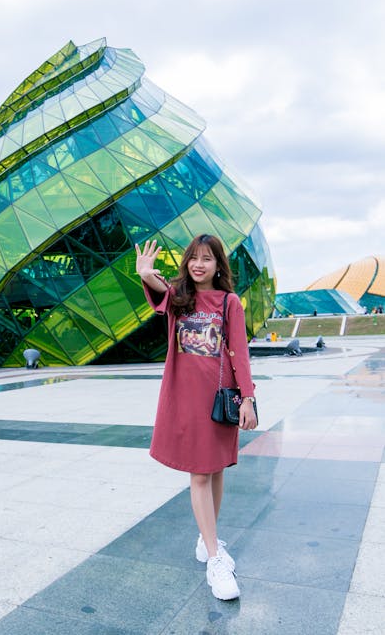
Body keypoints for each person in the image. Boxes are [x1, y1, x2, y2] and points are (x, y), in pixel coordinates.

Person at [135, 234, 257, 601]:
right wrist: (145, 273)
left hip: (220, 400)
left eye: (208, 259)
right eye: (194, 258)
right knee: (200, 473)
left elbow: (240, 352)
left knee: (216, 468)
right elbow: (159, 288)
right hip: (186, 400)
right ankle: (214, 559)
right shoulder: (179, 298)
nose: (199, 264)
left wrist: (248, 398)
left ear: (219, 265)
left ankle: (210, 540)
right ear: (187, 262)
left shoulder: (229, 302)